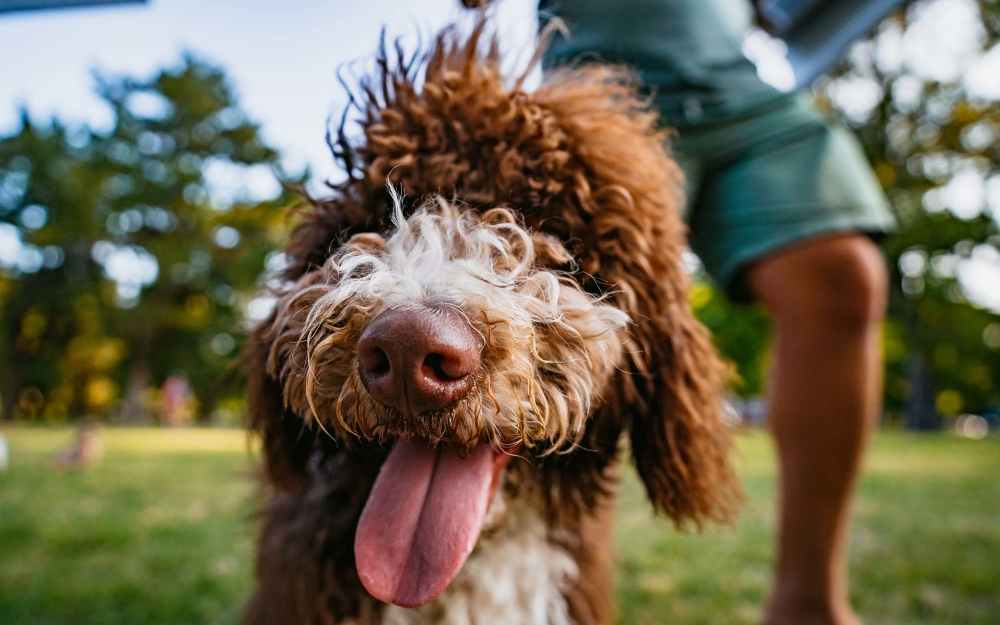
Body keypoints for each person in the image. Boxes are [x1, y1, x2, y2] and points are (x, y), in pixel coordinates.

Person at [539, 1, 894, 624]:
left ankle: (807, 605)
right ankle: (565, 602)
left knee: (841, 273)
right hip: (599, 86)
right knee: (586, 329)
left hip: (731, 85)